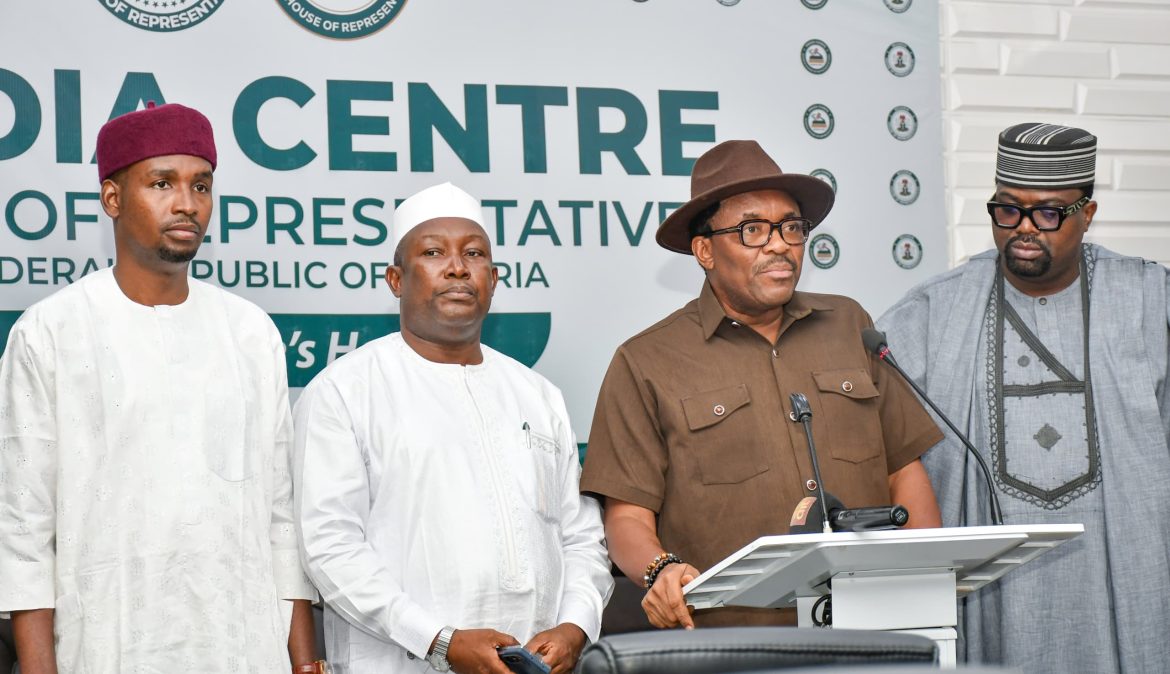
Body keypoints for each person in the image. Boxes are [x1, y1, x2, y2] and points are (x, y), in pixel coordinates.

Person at [0, 103, 322, 672]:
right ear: (112, 199)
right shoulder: (50, 334)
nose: (186, 204)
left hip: (242, 646)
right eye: (161, 183)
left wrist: (304, 661)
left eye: (201, 185)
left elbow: (279, 516)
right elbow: (24, 531)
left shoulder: (250, 333)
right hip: (107, 645)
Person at [579, 140, 943, 629]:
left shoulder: (850, 323)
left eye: (791, 227)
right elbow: (626, 517)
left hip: (874, 621)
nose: (779, 244)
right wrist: (660, 570)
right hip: (733, 639)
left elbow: (905, 470)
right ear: (705, 250)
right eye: (753, 229)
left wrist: (922, 584)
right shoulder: (646, 361)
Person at [877, 122, 1170, 672]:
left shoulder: (1151, 302)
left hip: (1128, 585)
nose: (1025, 228)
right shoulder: (931, 315)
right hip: (993, 598)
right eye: (1007, 210)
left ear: (1087, 213)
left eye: (1049, 212)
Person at [293, 182, 612, 674]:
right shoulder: (346, 391)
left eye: (474, 253)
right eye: (434, 252)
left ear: (495, 277)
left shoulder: (538, 395)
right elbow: (330, 547)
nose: (458, 267)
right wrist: (439, 640)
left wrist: (575, 626)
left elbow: (580, 536)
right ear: (396, 279)